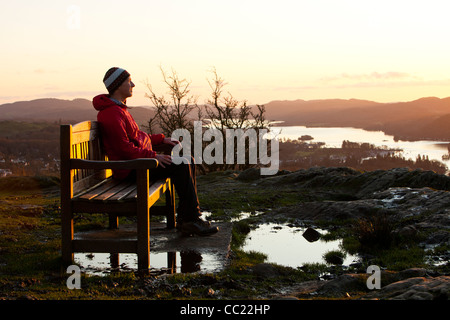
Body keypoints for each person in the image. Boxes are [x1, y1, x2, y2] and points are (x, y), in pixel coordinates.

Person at [92, 67, 218, 236]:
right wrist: (154, 156)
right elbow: (124, 148)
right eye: (129, 81)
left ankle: (188, 218)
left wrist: (160, 140)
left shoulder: (119, 110)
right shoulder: (111, 114)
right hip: (130, 170)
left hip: (136, 165)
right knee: (181, 165)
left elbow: (137, 137)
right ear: (117, 85)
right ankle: (191, 220)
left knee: (188, 160)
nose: (133, 84)